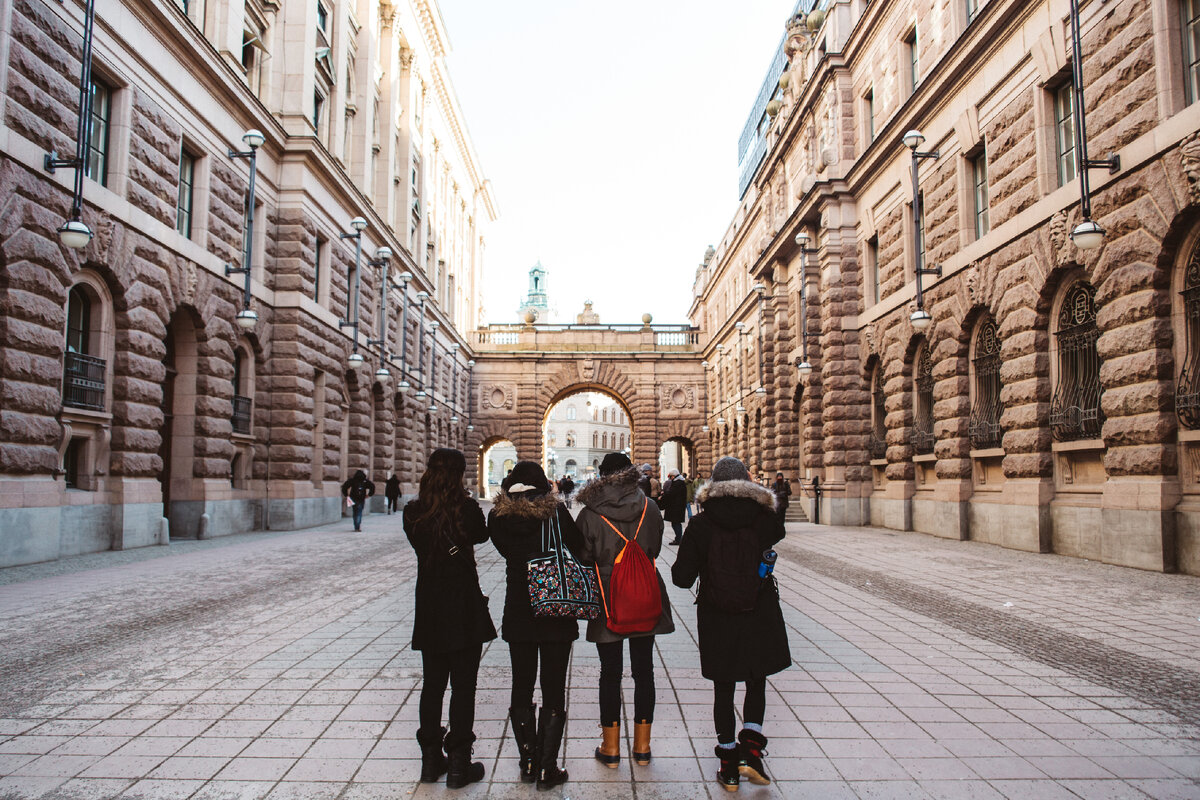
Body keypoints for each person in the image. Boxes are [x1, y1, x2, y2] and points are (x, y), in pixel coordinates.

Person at [671, 457, 790, 791]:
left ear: (713, 484)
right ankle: (751, 752)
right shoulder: (763, 519)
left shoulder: (702, 524)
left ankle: (728, 765)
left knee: (723, 689)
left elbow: (681, 578)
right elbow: (778, 529)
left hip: (717, 614)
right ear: (747, 482)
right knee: (756, 679)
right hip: (759, 611)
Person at [402, 448, 496, 789]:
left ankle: (430, 762)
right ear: (459, 474)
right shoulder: (466, 509)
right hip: (463, 605)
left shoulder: (413, 512)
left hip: (429, 605)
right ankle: (458, 764)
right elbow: (483, 536)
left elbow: (421, 547)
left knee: (433, 685)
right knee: (464, 687)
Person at [488, 461, 584, 790]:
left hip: (519, 610)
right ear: (542, 484)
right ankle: (547, 768)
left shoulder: (498, 517)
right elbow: (580, 550)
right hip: (555, 609)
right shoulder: (556, 513)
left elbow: (504, 550)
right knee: (554, 686)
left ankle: (527, 760)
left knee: (522, 684)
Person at [576, 452, 675, 768]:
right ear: (631, 474)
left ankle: (611, 748)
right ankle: (643, 748)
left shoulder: (591, 512)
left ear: (602, 475)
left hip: (608, 597)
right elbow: (656, 548)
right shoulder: (650, 506)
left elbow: (582, 555)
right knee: (644, 670)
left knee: (610, 673)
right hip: (644, 592)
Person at [659, 469, 687, 545]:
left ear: (674, 476)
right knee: (676, 523)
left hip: (676, 507)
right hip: (677, 507)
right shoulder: (680, 482)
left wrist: (663, 496)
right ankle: (678, 538)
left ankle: (678, 539)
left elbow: (671, 493)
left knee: (676, 523)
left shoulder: (677, 483)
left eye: (670, 476)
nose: (670, 478)